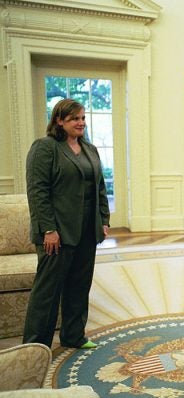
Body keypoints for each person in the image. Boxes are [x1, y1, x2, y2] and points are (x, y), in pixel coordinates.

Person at [23, 98, 110, 349]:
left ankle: (73, 336)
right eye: (75, 119)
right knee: (47, 292)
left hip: (86, 230)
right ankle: (35, 346)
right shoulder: (45, 148)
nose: (81, 123)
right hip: (57, 232)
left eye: (82, 118)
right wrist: (48, 229)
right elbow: (37, 192)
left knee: (79, 285)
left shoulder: (90, 149)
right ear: (59, 121)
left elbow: (99, 188)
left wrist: (103, 220)